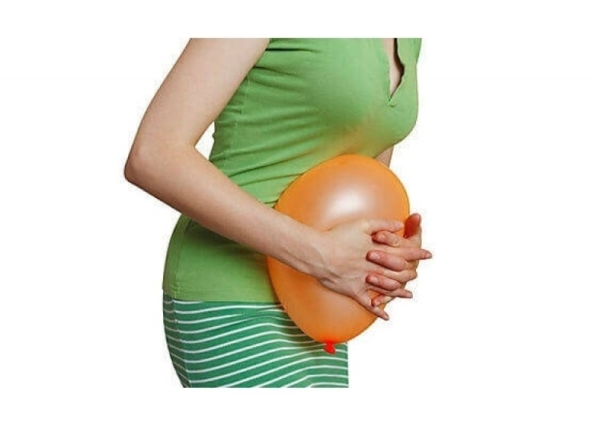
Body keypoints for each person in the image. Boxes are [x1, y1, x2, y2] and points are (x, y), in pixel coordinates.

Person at [124, 38, 431, 388]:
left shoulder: (409, 37)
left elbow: (359, 171)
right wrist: (322, 254)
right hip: (233, 294)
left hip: (323, 306)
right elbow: (154, 155)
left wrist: (387, 254)